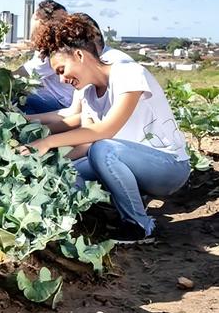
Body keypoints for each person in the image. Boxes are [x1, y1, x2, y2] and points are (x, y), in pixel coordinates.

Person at [21, 15, 190, 243]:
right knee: (68, 172)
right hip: (129, 161)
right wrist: (47, 163)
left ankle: (139, 226)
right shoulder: (89, 93)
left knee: (103, 150)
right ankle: (85, 220)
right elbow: (83, 146)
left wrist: (47, 142)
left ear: (79, 55)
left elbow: (105, 131)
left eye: (62, 70)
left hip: (169, 167)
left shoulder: (128, 73)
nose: (61, 79)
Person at [15, 0, 72, 114]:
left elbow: (19, 74)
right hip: (61, 99)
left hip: (60, 103)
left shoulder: (53, 50)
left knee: (16, 102)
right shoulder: (53, 43)